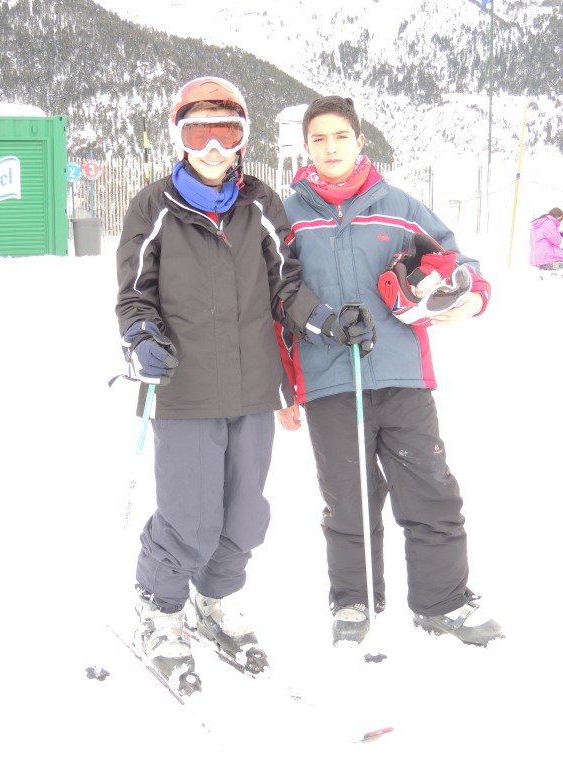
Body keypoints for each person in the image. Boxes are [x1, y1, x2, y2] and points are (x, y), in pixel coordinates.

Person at [115, 78, 374, 688]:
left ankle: (216, 599)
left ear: (242, 139)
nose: (212, 147)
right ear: (179, 138)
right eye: (198, 133)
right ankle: (159, 608)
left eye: (225, 132)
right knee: (190, 516)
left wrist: (326, 321)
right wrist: (142, 338)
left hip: (254, 386)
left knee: (244, 515)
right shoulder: (153, 206)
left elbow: (286, 286)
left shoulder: (259, 203)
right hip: (183, 389)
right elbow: (134, 295)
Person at [276, 95, 503, 648]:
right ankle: (354, 600)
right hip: (329, 381)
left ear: (359, 141)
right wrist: (286, 384)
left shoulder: (398, 206)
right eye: (319, 139)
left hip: (402, 376)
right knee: (348, 498)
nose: (331, 147)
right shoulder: (288, 217)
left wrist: (472, 297)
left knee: (430, 489)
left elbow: (456, 262)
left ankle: (443, 602)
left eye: (340, 136)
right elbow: (275, 299)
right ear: (306, 148)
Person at [529, 207, 563, 271]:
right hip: (546, 257)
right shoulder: (548, 223)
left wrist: (559, 234)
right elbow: (557, 241)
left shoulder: (541, 222)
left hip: (537, 257)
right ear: (559, 217)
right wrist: (560, 234)